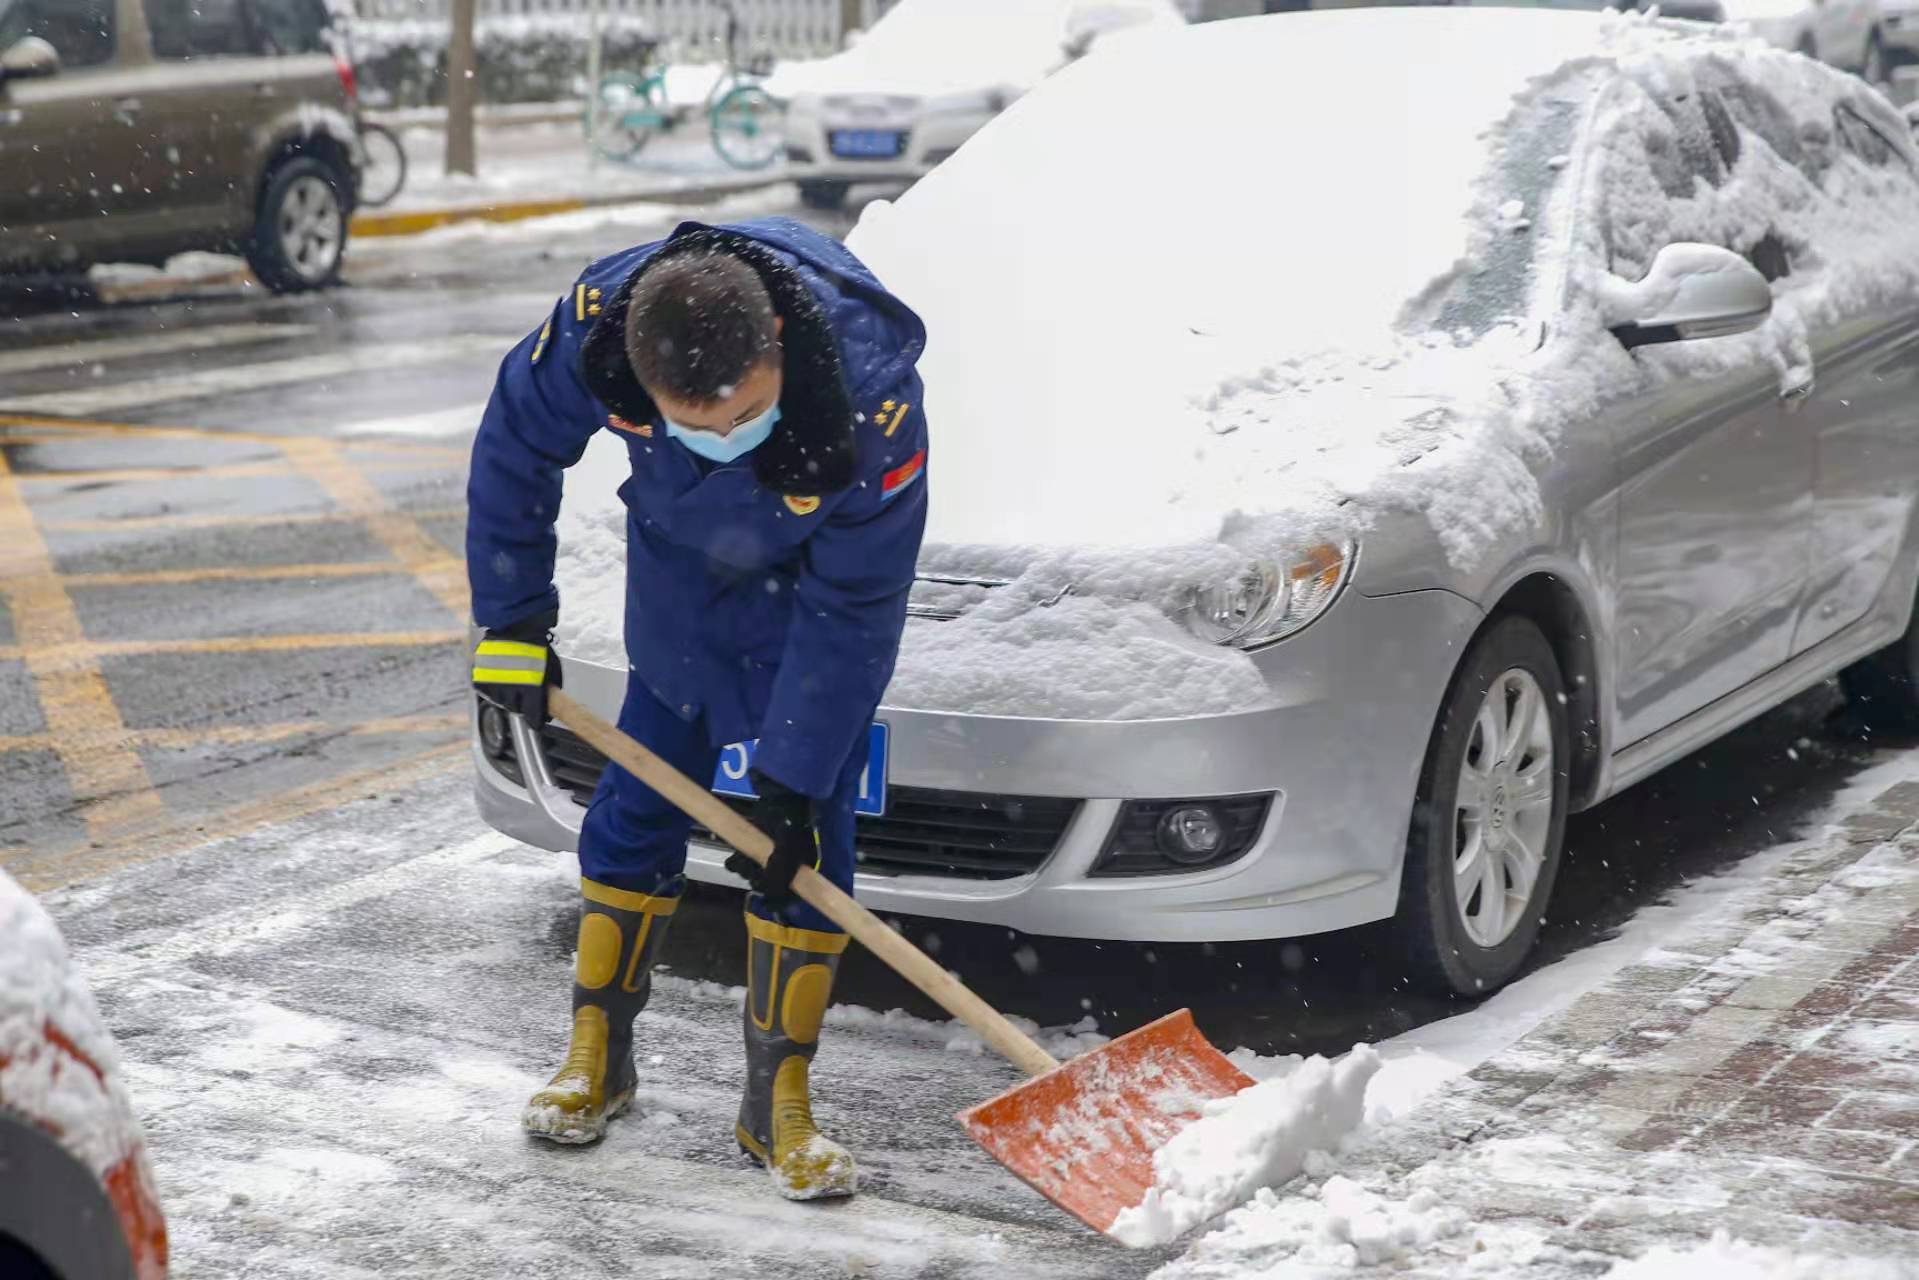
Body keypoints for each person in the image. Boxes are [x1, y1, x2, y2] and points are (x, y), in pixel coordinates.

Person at [465, 218, 928, 1201]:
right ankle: (598, 1052)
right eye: (696, 422)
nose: (723, 437)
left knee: (804, 838)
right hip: (679, 579)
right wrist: (511, 624)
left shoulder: (869, 390)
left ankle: (777, 1103)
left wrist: (792, 776)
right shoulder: (601, 334)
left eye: (746, 414)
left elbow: (856, 603)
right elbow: (514, 440)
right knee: (638, 798)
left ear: (776, 354)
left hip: (808, 596)